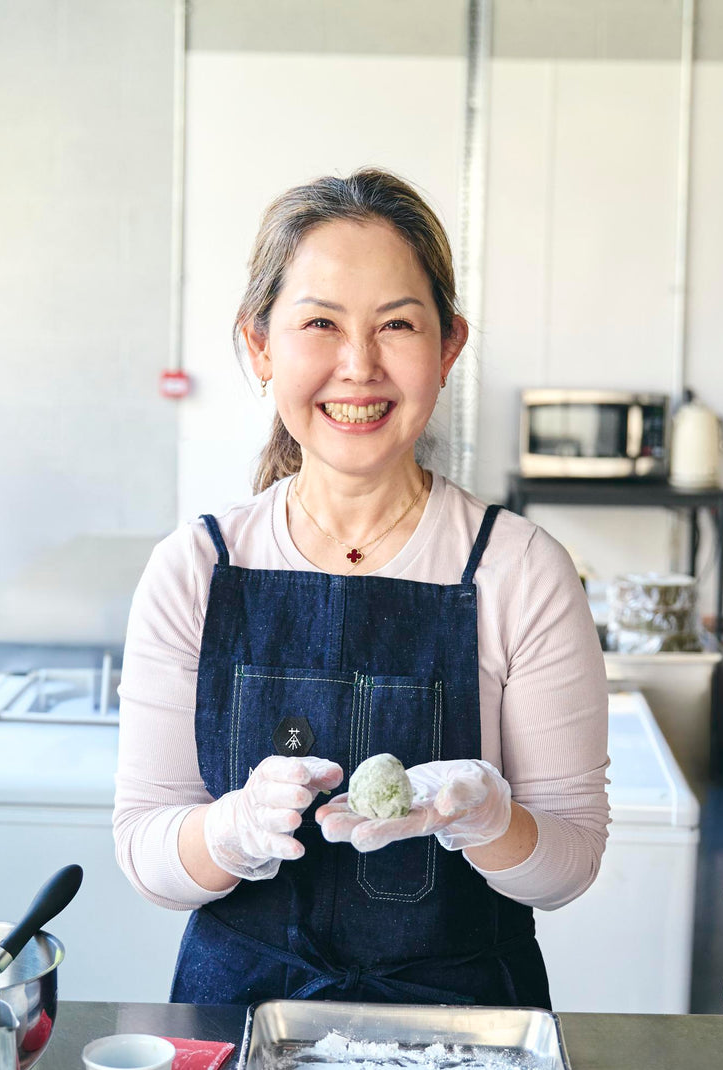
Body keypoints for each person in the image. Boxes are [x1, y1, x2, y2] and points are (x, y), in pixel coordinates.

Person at [113, 168, 609, 1010]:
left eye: (397, 325)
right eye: (320, 323)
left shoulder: (519, 569)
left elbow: (569, 866)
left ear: (448, 347)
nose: (360, 365)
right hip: (240, 1019)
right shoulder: (196, 568)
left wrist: (489, 819)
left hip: (465, 1038)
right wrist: (231, 831)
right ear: (262, 345)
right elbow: (146, 851)